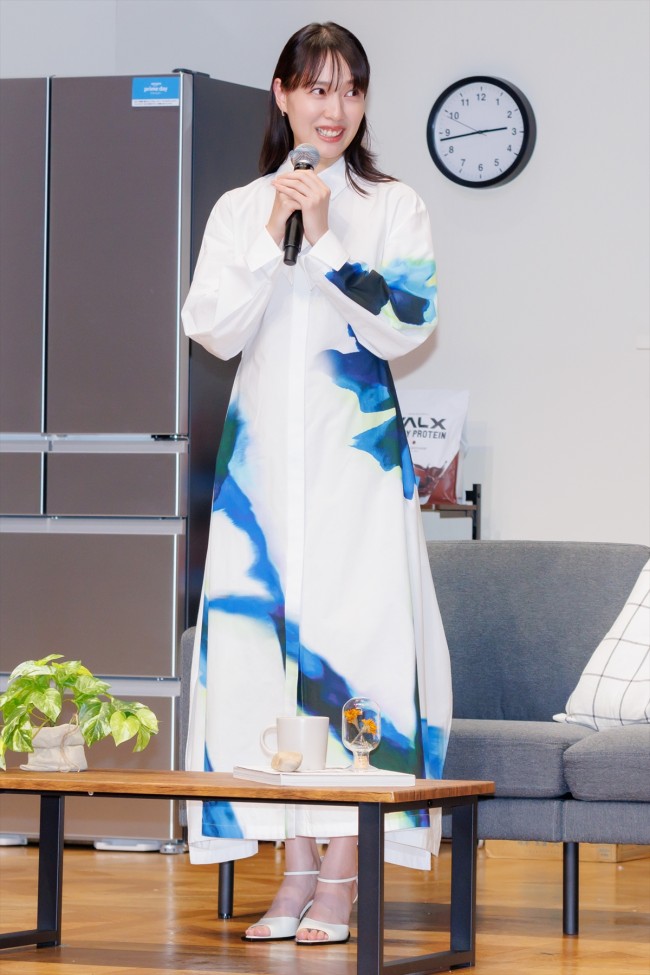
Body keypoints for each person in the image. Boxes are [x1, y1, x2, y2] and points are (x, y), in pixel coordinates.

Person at [182, 21, 452, 945]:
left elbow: (406, 325)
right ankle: (292, 869)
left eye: (351, 90)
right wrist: (273, 234)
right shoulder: (240, 208)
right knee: (263, 660)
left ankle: (342, 873)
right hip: (260, 481)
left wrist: (330, 243)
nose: (334, 110)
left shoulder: (393, 205)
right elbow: (211, 326)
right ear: (283, 94)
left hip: (355, 476)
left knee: (353, 656)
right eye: (318, 89)